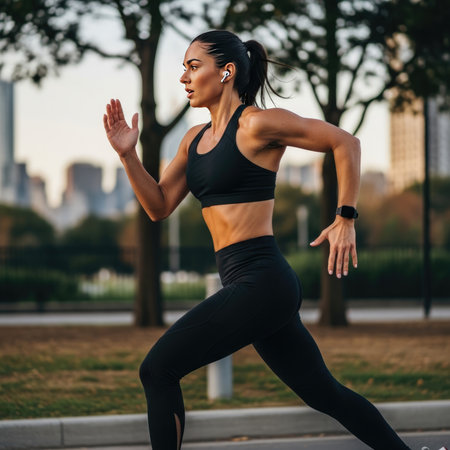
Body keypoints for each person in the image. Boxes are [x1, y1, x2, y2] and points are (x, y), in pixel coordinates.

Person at [103, 29, 415, 450]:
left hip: (263, 280)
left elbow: (345, 142)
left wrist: (346, 216)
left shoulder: (256, 124)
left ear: (226, 72)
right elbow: (158, 206)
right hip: (248, 285)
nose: (184, 78)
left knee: (157, 370)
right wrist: (127, 156)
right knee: (325, 394)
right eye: (183, 69)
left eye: (194, 67)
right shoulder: (193, 139)